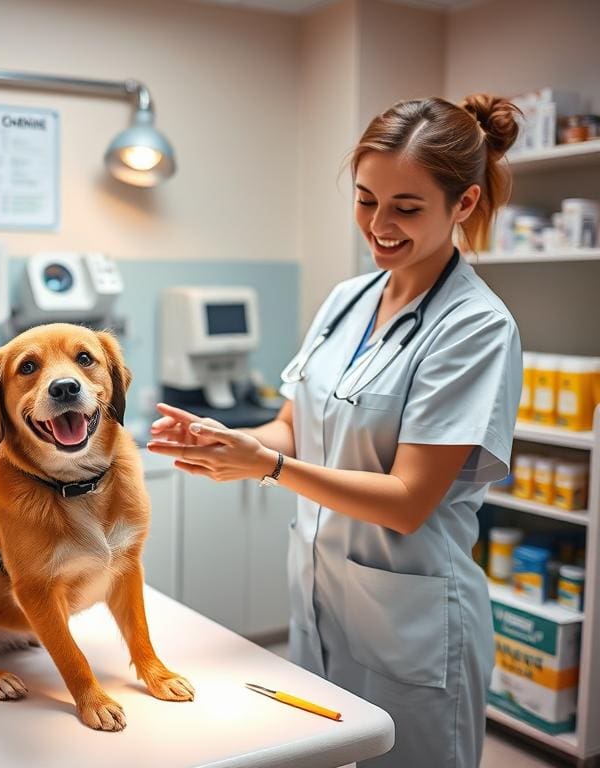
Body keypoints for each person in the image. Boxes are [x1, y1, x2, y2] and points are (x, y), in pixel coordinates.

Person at [148, 94, 523, 768]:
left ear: (463, 205)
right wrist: (228, 445)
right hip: (322, 605)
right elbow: (297, 423)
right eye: (365, 199)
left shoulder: (475, 328)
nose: (378, 226)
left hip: (411, 623)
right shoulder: (348, 299)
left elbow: (409, 499)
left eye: (406, 208)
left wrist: (265, 467)